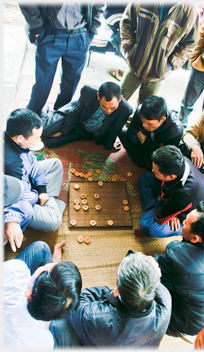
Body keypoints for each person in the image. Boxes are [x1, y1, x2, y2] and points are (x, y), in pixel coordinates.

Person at [49, 251, 172, 347]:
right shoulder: (166, 302)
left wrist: (108, 294)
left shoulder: (96, 317)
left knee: (57, 324)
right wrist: (152, 272)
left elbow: (75, 304)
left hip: (105, 342)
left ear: (117, 291)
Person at [154, 201, 204, 336]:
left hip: (187, 322)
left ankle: (167, 327)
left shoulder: (177, 256)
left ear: (195, 238)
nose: (182, 222)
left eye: (185, 223)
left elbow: (153, 267)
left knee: (148, 284)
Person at [19, 3, 105, 115]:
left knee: (71, 83)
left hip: (80, 36)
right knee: (42, 82)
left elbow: (99, 5)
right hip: (50, 33)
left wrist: (93, 31)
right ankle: (30, 117)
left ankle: (59, 118)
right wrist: (36, 26)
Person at [4, 108, 66, 252]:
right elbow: (23, 198)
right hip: (18, 203)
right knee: (54, 222)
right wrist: (37, 194)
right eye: (37, 138)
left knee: (55, 164)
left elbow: (32, 164)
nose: (40, 140)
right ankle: (54, 206)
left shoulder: (16, 143)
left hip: (26, 183)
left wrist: (43, 189)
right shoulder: (13, 167)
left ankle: (52, 203)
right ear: (20, 138)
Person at [3, 240, 82, 349]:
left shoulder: (15, 271)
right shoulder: (45, 342)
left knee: (41, 247)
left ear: (38, 276)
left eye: (48, 267)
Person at [120, 3, 200, 104]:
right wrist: (130, 49)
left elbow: (189, 45)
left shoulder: (190, 10)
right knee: (116, 103)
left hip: (157, 74)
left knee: (146, 113)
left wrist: (169, 65)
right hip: (134, 65)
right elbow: (126, 23)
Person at [136, 145, 204, 238]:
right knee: (145, 177)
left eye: (155, 172)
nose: (152, 171)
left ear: (171, 177)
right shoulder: (180, 161)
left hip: (185, 215)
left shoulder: (184, 195)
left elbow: (160, 219)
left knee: (148, 227)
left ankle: (157, 211)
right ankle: (156, 208)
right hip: (174, 200)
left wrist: (173, 215)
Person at [39, 81, 133, 150]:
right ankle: (44, 109)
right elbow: (75, 113)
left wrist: (109, 146)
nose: (108, 111)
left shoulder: (126, 110)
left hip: (85, 130)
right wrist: (62, 131)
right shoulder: (88, 92)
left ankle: (54, 118)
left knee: (49, 142)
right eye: (104, 106)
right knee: (45, 130)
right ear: (98, 96)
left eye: (113, 108)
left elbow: (115, 130)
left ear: (120, 98)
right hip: (75, 116)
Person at [119, 96, 183, 170]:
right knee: (122, 133)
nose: (144, 125)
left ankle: (143, 161)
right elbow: (131, 130)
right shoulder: (140, 111)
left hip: (153, 152)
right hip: (144, 146)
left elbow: (163, 157)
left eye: (149, 124)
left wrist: (144, 141)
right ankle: (141, 160)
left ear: (162, 119)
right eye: (143, 121)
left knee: (161, 165)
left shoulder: (175, 131)